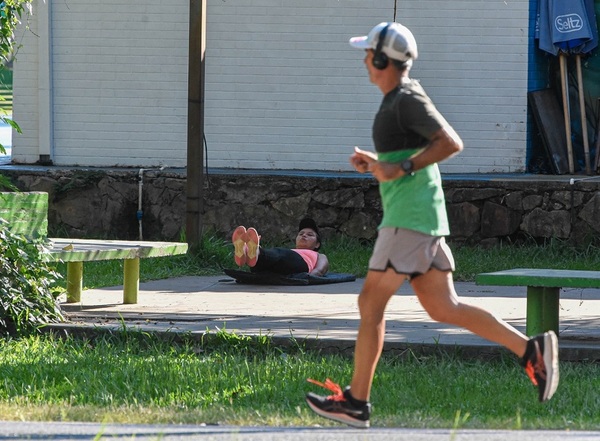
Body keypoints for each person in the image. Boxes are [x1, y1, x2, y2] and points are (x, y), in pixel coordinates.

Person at [305, 22, 559, 429]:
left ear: (382, 59)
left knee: (370, 303)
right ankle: (531, 351)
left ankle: (356, 402)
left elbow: (450, 143)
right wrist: (378, 163)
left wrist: (401, 166)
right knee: (444, 307)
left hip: (409, 220)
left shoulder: (406, 98)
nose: (364, 61)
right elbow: (405, 161)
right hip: (419, 216)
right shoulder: (395, 101)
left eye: (367, 54)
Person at [232, 218, 329, 277]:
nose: (304, 236)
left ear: (317, 244)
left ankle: (254, 251)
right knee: (270, 258)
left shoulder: (319, 255)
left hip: (301, 265)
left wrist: (310, 277)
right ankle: (249, 253)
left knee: (279, 253)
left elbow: (321, 269)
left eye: (310, 235)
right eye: (301, 234)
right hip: (280, 267)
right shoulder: (290, 251)